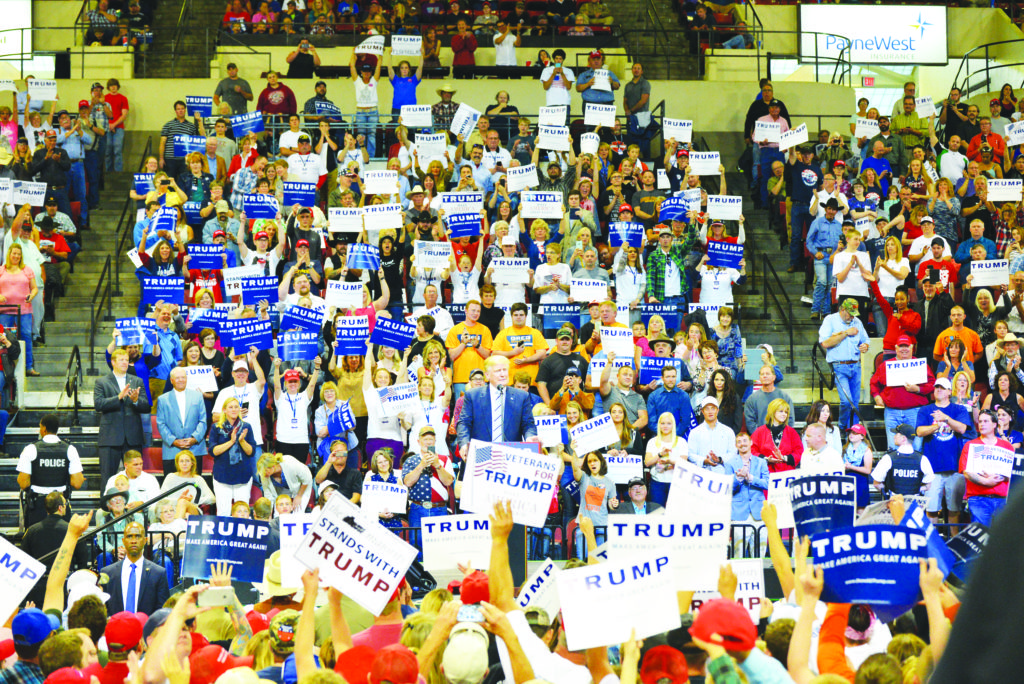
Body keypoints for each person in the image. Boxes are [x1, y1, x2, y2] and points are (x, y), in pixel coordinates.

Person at [16, 413, 84, 528]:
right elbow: (77, 483)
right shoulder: (70, 449)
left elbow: (23, 482)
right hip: (60, 505)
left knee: (37, 542)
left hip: (37, 505)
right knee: (62, 542)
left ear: (43, 428)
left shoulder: (30, 449)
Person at [94, 348, 150, 486]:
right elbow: (99, 404)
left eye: (126, 360)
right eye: (121, 360)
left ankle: (134, 506)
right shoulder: (102, 382)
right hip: (110, 436)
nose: (125, 362)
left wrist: (136, 400)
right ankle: (107, 507)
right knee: (108, 478)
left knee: (136, 478)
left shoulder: (137, 381)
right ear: (113, 362)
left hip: (133, 436)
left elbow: (146, 407)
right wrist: (118, 397)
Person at [456, 355, 537, 451]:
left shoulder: (521, 396)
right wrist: (464, 444)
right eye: (498, 371)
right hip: (482, 454)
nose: (503, 374)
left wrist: (529, 438)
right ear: (487, 375)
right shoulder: (473, 396)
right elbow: (464, 423)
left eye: (505, 370)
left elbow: (528, 424)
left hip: (511, 454)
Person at [869, 334, 936, 449]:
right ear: (896, 348)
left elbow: (932, 385)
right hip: (892, 412)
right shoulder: (886, 365)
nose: (904, 349)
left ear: (912, 348)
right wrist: (876, 396)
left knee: (916, 447)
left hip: (915, 412)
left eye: (906, 346)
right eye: (901, 346)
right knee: (892, 446)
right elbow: (874, 383)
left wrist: (918, 389)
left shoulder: (921, 365)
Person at [97, 521, 171, 615]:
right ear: (123, 541)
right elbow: (103, 610)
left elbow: (162, 612)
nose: (133, 541)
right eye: (129, 536)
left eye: (138, 536)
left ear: (145, 540)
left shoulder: (158, 573)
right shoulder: (107, 572)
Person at [819, 298, 870, 430]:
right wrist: (846, 333)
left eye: (854, 313)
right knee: (846, 401)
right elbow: (825, 343)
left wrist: (865, 346)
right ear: (842, 309)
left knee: (855, 403)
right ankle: (841, 427)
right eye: (850, 313)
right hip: (839, 366)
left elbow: (865, 340)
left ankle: (854, 431)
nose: (852, 316)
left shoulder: (857, 322)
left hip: (856, 365)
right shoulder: (830, 320)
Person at [402, 426, 455, 553]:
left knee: (440, 550)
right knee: (417, 548)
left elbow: (448, 481)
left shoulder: (444, 459)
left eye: (431, 439)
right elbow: (407, 482)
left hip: (440, 509)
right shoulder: (411, 460)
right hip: (418, 509)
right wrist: (421, 465)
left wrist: (437, 465)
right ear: (418, 441)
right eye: (425, 439)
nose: (428, 442)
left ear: (435, 441)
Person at [959, 409, 1011, 527]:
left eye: (986, 421)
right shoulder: (970, 445)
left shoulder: (1006, 446)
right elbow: (966, 472)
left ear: (994, 424)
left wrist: (999, 477)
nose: (982, 424)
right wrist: (986, 481)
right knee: (980, 539)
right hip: (978, 499)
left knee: (1001, 539)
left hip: (1002, 500)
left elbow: (1014, 472)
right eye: (980, 421)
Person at [155, 367, 209, 475]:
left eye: (183, 377)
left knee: (195, 485)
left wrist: (194, 439)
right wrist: (174, 441)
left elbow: (203, 420)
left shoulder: (198, 396)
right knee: (172, 487)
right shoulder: (163, 399)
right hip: (172, 450)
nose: (181, 380)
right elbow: (161, 423)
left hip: (195, 448)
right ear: (171, 380)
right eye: (177, 378)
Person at [209, 397, 257, 516]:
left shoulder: (247, 427)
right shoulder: (216, 428)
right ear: (224, 410)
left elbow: (251, 452)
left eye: (236, 407)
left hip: (242, 475)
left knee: (242, 512)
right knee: (223, 512)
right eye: (231, 407)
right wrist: (231, 442)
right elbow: (213, 451)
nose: (234, 409)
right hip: (222, 475)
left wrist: (241, 441)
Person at [272, 358, 321, 465]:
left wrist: (317, 368)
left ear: (299, 383)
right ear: (285, 383)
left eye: (295, 381)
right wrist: (276, 368)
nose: (292, 384)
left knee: (299, 473)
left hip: (301, 441)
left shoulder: (304, 397)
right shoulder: (281, 397)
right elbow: (276, 385)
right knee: (284, 472)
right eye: (290, 381)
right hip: (283, 441)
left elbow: (312, 385)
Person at [570, 451, 618, 556]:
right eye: (589, 461)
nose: (592, 463)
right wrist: (574, 451)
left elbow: (611, 504)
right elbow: (575, 469)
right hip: (584, 526)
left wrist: (614, 504)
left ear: (601, 462)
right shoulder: (584, 477)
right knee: (583, 560)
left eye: (595, 460)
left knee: (600, 562)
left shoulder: (610, 482)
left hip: (602, 526)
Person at [750, 398, 803, 473]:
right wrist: (766, 459)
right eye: (781, 411)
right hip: (765, 473)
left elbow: (799, 452)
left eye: (786, 412)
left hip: (786, 474)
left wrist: (784, 458)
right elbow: (752, 451)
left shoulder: (792, 432)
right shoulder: (759, 432)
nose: (784, 414)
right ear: (773, 412)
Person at [687, 396, 737, 473]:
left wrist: (719, 459)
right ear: (702, 412)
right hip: (701, 474)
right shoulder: (695, 432)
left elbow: (733, 453)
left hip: (723, 474)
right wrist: (704, 460)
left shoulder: (728, 431)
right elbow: (690, 454)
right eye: (707, 409)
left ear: (717, 410)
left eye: (713, 408)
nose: (710, 412)